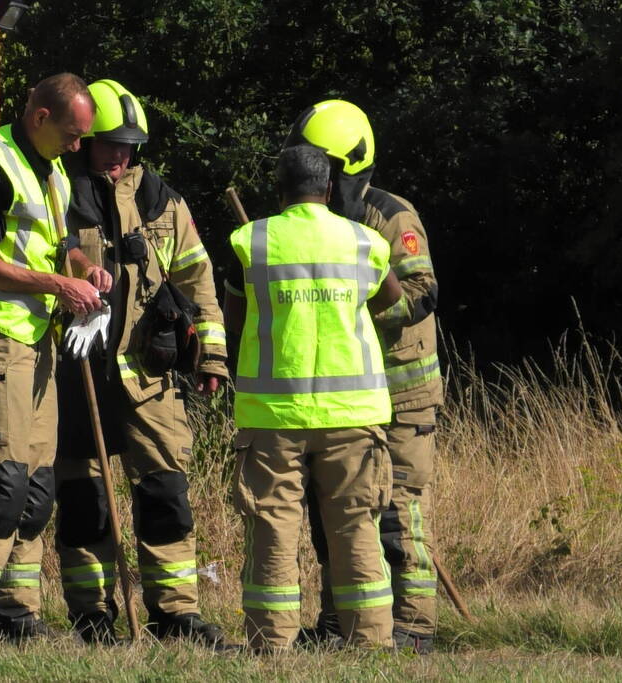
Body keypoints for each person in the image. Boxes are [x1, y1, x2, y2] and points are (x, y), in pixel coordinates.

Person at [51, 79, 230, 648]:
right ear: (85, 140)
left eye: (129, 146)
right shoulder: (56, 190)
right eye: (110, 143)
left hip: (148, 377)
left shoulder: (162, 201)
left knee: (166, 495)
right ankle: (92, 618)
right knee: (84, 503)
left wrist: (213, 356)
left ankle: (176, 615)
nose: (120, 155)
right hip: (75, 373)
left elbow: (198, 281)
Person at [0, 73, 111, 640]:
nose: (77, 146)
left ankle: (16, 613)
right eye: (72, 134)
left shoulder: (53, 169)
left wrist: (86, 269)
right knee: (3, 487)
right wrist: (59, 285)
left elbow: (61, 245)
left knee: (36, 491)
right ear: (40, 117)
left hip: (39, 344)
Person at [224, 144, 402, 652]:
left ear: (279, 190)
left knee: (272, 527)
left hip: (274, 415)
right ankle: (370, 643)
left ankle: (271, 645)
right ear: (328, 188)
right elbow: (392, 297)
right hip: (353, 414)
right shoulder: (364, 242)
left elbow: (233, 320)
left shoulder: (251, 241)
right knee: (355, 527)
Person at [285, 100, 443, 654]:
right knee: (339, 509)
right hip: (347, 397)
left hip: (403, 393)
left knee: (398, 512)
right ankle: (339, 623)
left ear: (351, 167)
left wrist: (354, 299)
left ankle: (414, 627)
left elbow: (422, 295)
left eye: (327, 168)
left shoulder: (392, 216)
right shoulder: (314, 220)